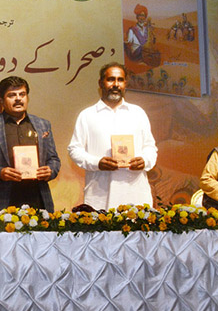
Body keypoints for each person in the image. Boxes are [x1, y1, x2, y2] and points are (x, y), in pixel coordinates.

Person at [68, 62, 158, 209]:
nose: (116, 84)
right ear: (101, 83)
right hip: (99, 196)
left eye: (120, 80)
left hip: (136, 196)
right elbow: (74, 150)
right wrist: (97, 163)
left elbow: (150, 147)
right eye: (110, 79)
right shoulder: (87, 115)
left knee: (138, 232)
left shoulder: (138, 113)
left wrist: (145, 160)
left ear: (125, 83)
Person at [0, 76, 60, 212]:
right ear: (1, 100)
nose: (18, 99)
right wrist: (0, 173)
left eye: (22, 94)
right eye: (12, 95)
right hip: (1, 201)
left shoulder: (43, 125)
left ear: (27, 98)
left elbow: (54, 160)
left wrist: (50, 170)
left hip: (38, 200)